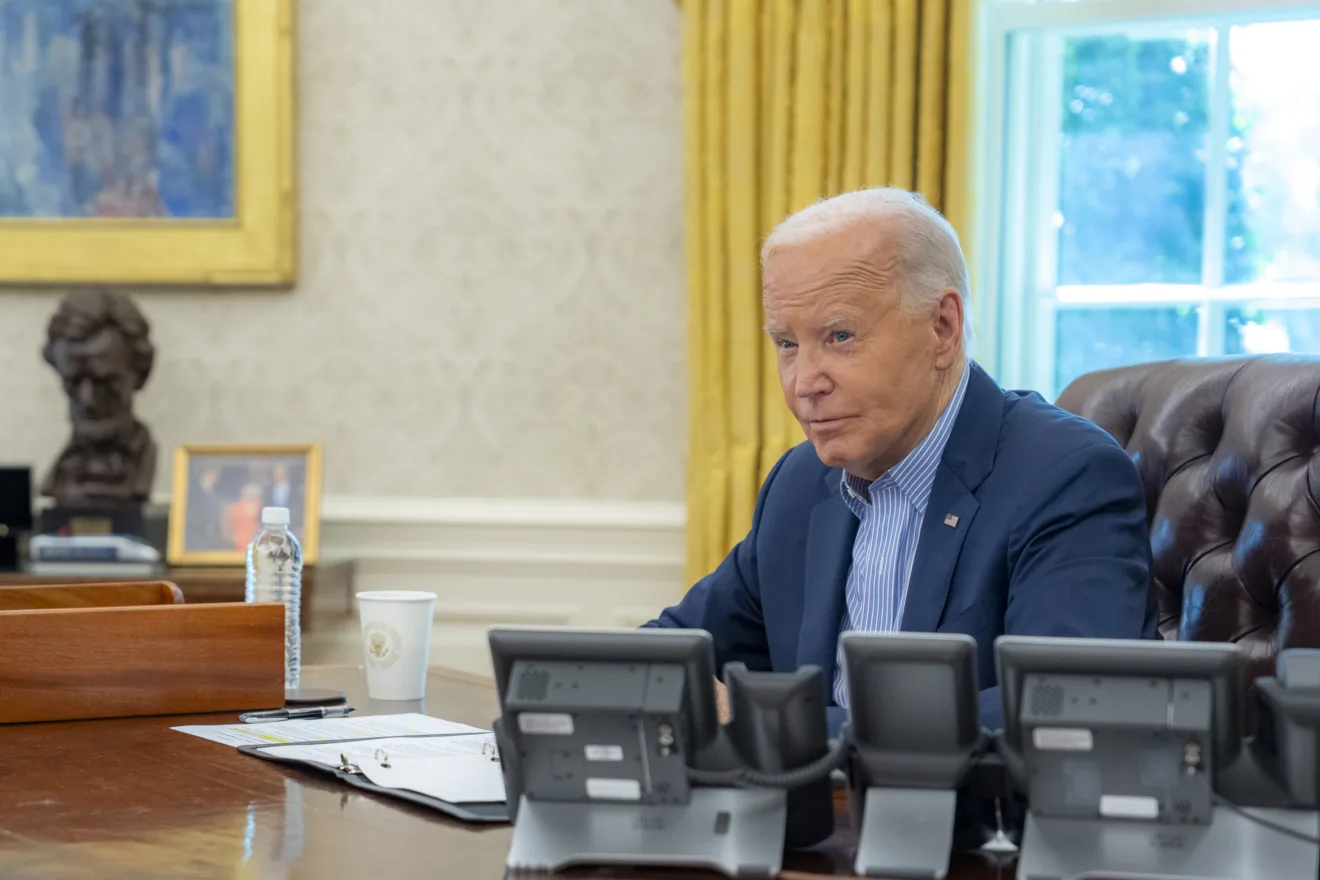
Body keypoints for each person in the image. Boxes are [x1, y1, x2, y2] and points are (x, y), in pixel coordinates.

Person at [645, 188, 1158, 731]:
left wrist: (769, 723)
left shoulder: (1067, 476)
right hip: (820, 815)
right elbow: (663, 656)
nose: (803, 384)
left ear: (943, 328)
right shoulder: (800, 484)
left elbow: (1061, 707)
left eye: (839, 336)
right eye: (787, 343)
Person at [40, 289, 157, 506]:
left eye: (106, 383)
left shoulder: (140, 464)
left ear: (139, 375)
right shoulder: (62, 473)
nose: (87, 400)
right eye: (73, 382)